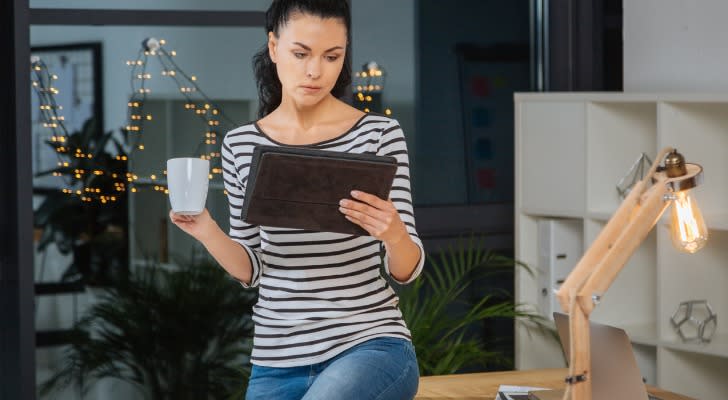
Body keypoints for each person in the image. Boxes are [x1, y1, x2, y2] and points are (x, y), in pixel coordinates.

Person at [169, 0, 425, 398]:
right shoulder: (241, 145)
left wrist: (392, 233)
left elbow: (407, 269)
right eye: (301, 53)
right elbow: (251, 268)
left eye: (332, 56)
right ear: (274, 48)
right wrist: (205, 229)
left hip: (369, 344)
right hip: (275, 361)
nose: (314, 71)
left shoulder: (378, 135)